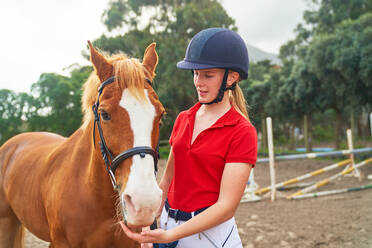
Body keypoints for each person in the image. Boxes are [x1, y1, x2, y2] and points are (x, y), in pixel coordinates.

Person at [121, 27, 258, 248]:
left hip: (210, 238)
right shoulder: (184, 119)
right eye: (195, 73)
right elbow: (166, 182)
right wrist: (150, 226)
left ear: (232, 77)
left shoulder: (242, 131)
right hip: (167, 225)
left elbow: (226, 207)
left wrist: (170, 236)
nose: (198, 82)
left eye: (208, 75)